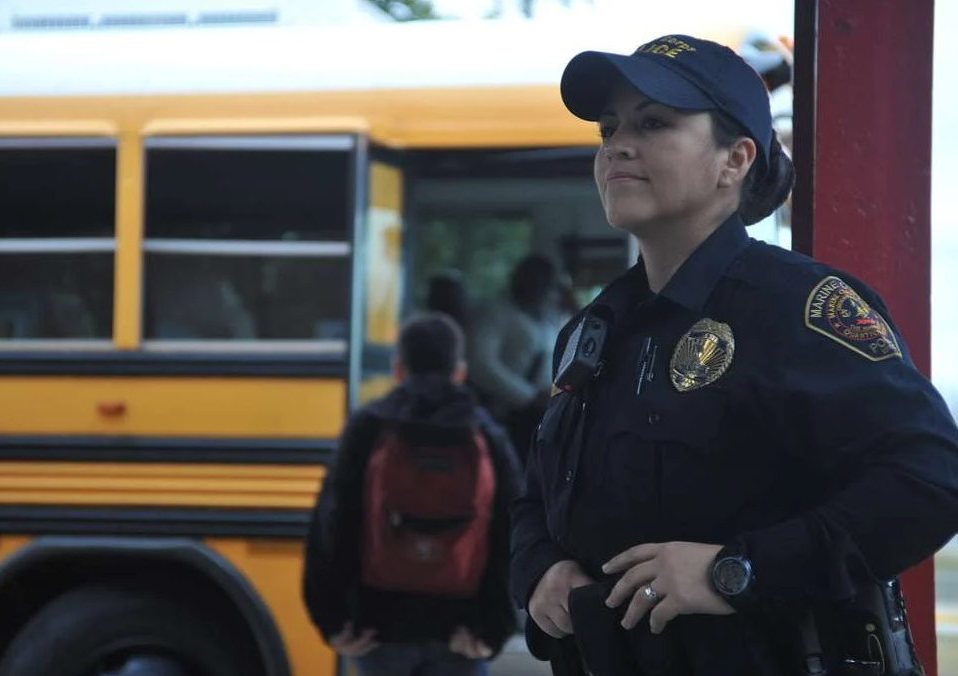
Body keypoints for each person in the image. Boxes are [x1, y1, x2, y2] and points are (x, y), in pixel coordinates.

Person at [509, 33, 958, 676]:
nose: (617, 146)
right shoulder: (591, 331)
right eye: (609, 129)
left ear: (735, 159)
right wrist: (539, 569)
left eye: (653, 123)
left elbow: (931, 481)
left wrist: (735, 572)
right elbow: (535, 498)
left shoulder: (796, 307)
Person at [303, 312, 521, 676]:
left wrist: (333, 621)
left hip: (378, 629)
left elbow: (332, 522)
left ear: (398, 369)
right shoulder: (486, 434)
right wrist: (494, 629)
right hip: (461, 632)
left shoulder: (368, 427)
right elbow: (511, 530)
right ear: (460, 372)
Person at [467, 254, 564, 463]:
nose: (542, 288)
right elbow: (481, 363)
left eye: (547, 283)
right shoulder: (495, 312)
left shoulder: (547, 316)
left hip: (542, 412)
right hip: (506, 413)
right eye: (536, 280)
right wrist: (528, 395)